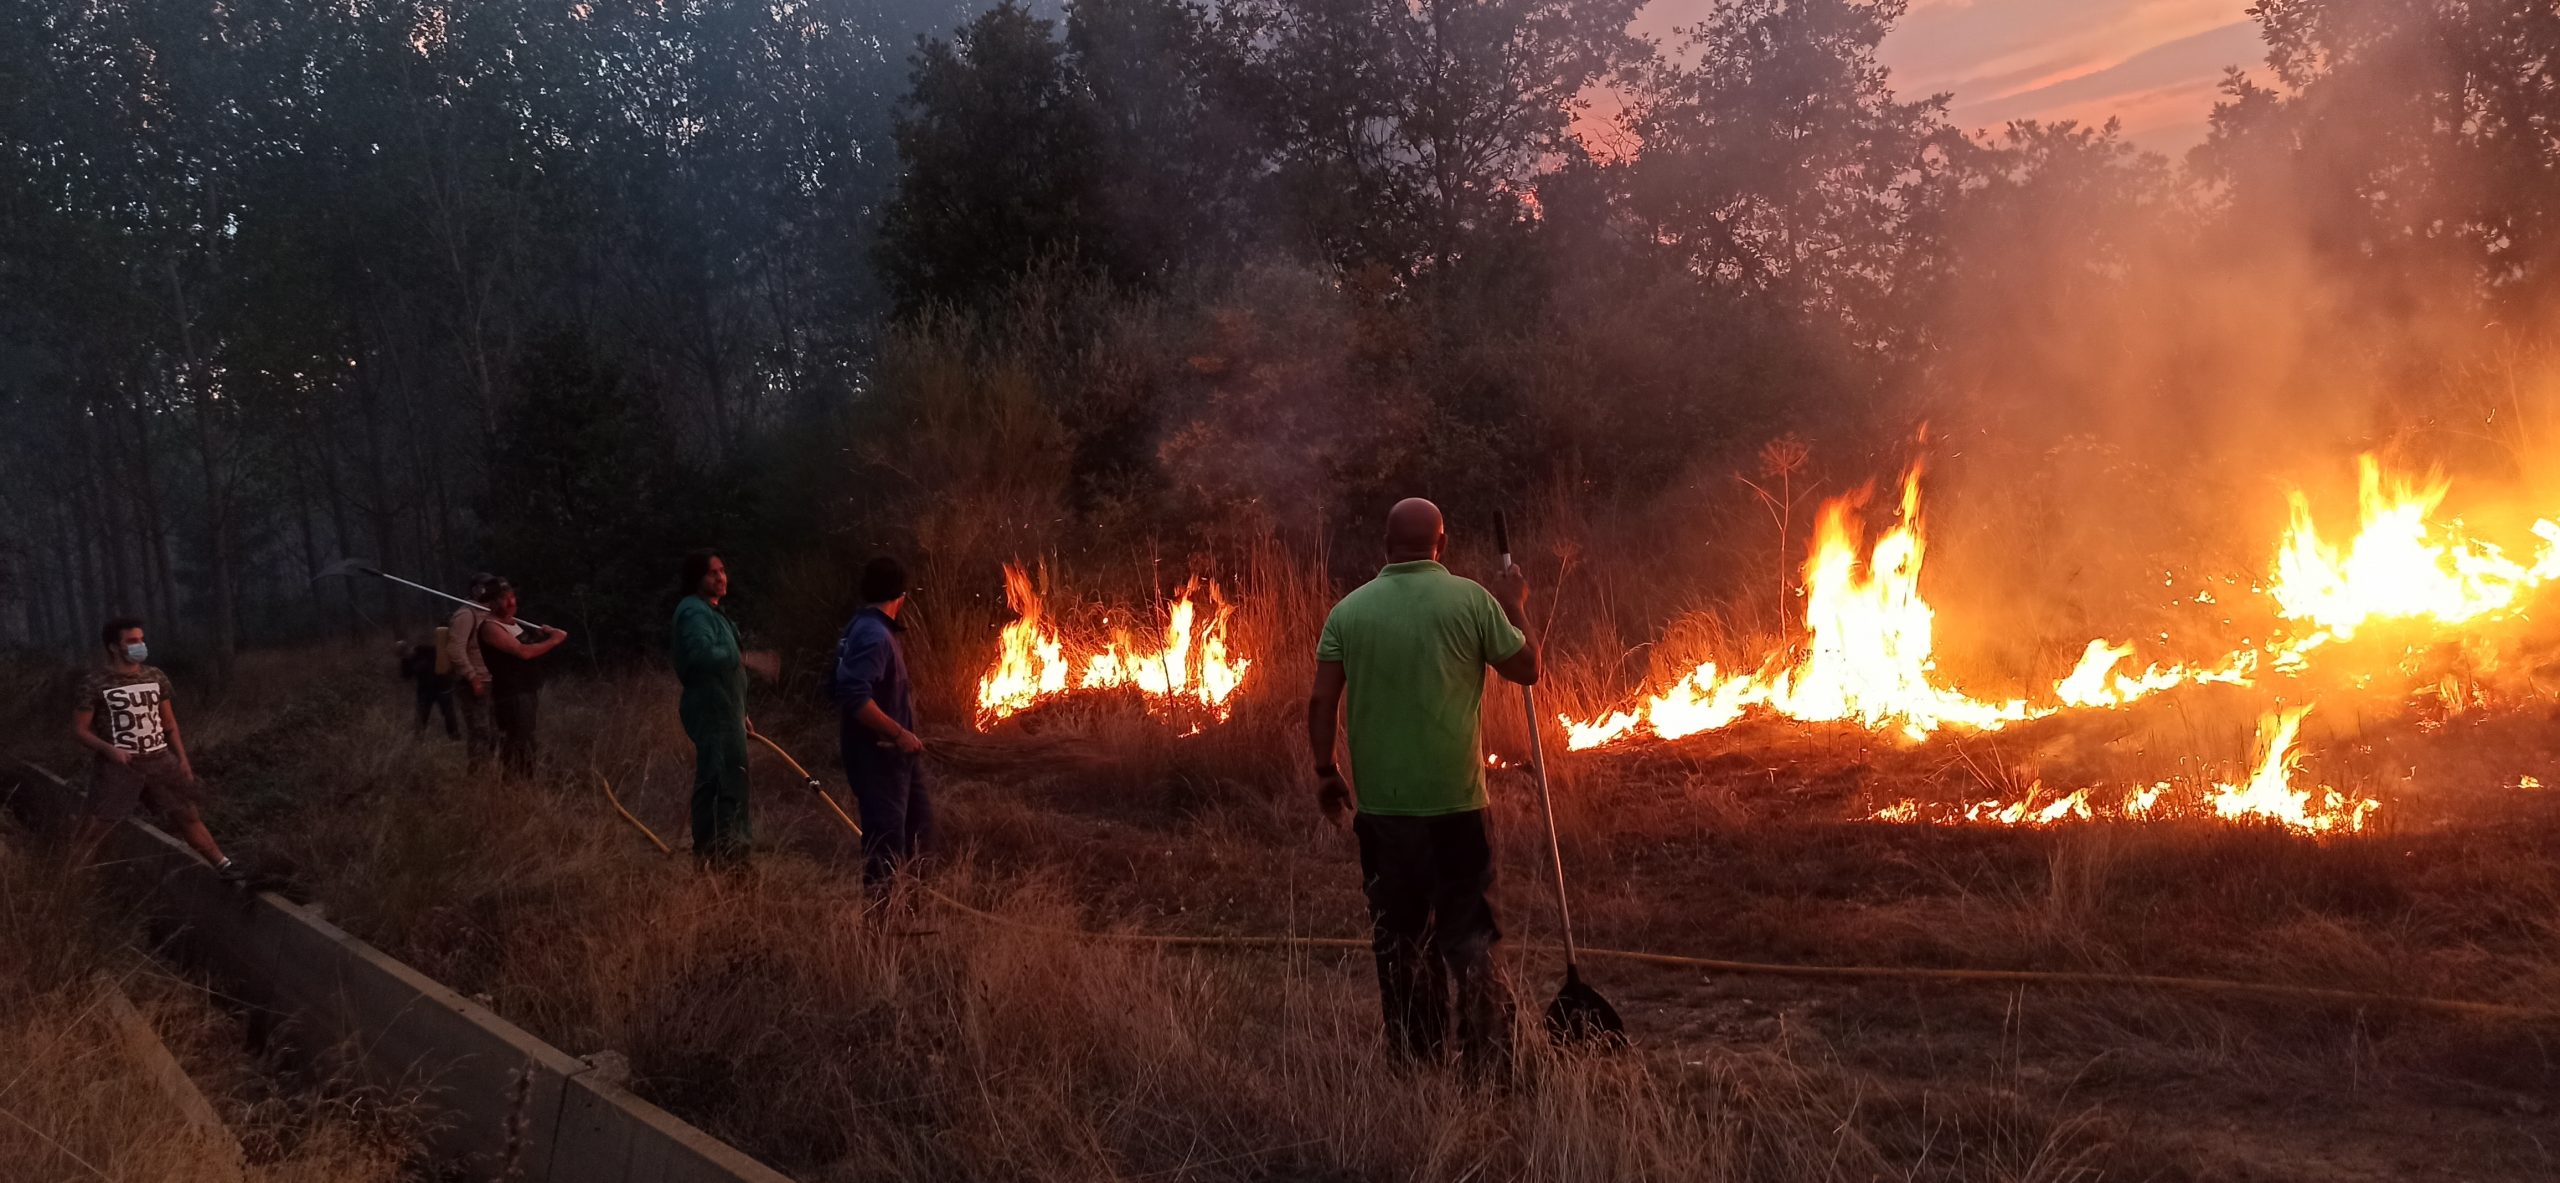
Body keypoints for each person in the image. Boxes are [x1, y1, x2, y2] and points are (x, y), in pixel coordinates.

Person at [1307, 498, 1540, 1075]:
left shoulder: (1348, 612)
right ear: (1443, 542)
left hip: (1385, 813)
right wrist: (1516, 607)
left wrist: (1324, 770)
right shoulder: (1473, 601)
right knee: (1473, 937)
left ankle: (1417, 1061)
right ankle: (1490, 1066)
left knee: (1401, 939)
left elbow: (1320, 701)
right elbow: (1528, 667)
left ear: (1385, 543)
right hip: (1459, 806)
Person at [70, 617, 243, 882]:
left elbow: (169, 723)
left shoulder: (155, 676)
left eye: (141, 639)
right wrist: (108, 750)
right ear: (114, 647)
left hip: (160, 759)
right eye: (131, 641)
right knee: (97, 827)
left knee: (187, 815)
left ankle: (223, 865)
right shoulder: (95, 682)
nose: (139, 645)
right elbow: (80, 730)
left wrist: (182, 760)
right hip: (120, 766)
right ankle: (71, 881)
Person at [829, 556, 931, 901]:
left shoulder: (865, 627)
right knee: (885, 846)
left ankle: (909, 911)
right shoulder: (874, 634)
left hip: (896, 759)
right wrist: (898, 734)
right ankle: (882, 929)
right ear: (902, 595)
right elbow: (854, 696)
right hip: (879, 758)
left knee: (919, 832)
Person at [673, 550, 755, 866]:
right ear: (698, 579)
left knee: (726, 777)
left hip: (727, 710)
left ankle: (719, 855)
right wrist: (738, 657)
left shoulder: (711, 611)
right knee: (724, 781)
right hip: (712, 711)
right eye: (712, 573)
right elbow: (702, 656)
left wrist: (742, 713)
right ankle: (725, 859)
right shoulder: (694, 614)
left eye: (722, 570)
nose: (721, 577)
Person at [474, 577, 567, 777]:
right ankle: (514, 784)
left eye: (512, 596)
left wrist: (544, 635)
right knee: (516, 741)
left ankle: (526, 781)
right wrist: (554, 640)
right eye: (503, 598)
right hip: (511, 693)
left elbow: (530, 645)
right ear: (491, 602)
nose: (511, 602)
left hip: (526, 690)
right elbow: (524, 652)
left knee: (526, 739)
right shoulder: (491, 627)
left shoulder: (514, 624)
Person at [445, 577, 501, 770]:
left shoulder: (490, 613)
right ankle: (477, 774)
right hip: (474, 682)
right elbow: (455, 649)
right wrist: (472, 676)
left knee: (495, 730)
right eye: (484, 586)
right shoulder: (465, 614)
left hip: (493, 680)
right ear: (475, 589)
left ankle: (491, 771)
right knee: (480, 730)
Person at [398, 636, 459, 739]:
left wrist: (451, 676)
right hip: (425, 690)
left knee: (448, 714)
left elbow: (442, 656)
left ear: (409, 648)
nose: (406, 655)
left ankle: (454, 736)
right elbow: (406, 676)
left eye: (406, 651)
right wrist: (406, 662)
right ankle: (418, 738)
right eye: (403, 654)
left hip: (442, 686)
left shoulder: (424, 649)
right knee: (421, 715)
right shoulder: (406, 661)